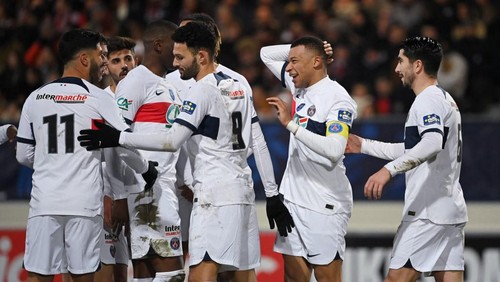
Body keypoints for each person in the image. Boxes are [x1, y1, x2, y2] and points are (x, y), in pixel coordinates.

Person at [78, 21, 294, 282]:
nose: (175, 62)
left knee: (197, 274)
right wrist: (271, 194)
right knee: (240, 276)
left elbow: (172, 140)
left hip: (213, 195)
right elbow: (255, 143)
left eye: (180, 56)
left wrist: (120, 137)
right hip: (241, 190)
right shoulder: (239, 83)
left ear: (200, 55)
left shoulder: (199, 91)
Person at [16, 29, 157, 282]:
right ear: (84, 59)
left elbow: (23, 155)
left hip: (44, 203)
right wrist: (147, 169)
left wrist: (53, 160)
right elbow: (124, 145)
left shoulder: (34, 98)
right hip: (83, 205)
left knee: (39, 276)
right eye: (102, 55)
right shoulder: (99, 98)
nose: (104, 61)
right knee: (83, 277)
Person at [164, 13, 288, 271]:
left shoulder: (224, 82)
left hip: (210, 189)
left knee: (212, 270)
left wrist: (270, 190)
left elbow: (253, 141)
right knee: (199, 265)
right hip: (191, 188)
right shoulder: (173, 80)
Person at [346, 36, 468, 282]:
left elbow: (431, 144)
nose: (397, 69)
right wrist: (365, 145)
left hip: (427, 213)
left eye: (401, 61)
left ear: (418, 66)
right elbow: (416, 149)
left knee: (395, 279)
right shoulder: (445, 99)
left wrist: (388, 171)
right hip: (449, 209)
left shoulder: (428, 100)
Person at [260, 36, 357, 282]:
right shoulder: (298, 85)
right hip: (292, 201)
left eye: (294, 61)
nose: (288, 67)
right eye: (289, 61)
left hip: (324, 205)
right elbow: (266, 53)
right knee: (293, 278)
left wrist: (291, 125)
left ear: (316, 63)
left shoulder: (339, 99)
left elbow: (335, 150)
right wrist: (314, 49)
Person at [113, 20, 186, 282]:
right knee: (173, 274)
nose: (178, 56)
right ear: (158, 45)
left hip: (161, 186)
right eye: (175, 48)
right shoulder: (136, 81)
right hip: (147, 190)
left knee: (145, 274)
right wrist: (120, 194)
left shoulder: (166, 83)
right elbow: (116, 139)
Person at [98, 36, 139, 282]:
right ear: (106, 67)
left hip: (143, 194)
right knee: (112, 273)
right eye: (116, 60)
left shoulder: (150, 96)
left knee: (144, 268)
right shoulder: (98, 101)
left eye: (128, 58)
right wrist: (108, 197)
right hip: (110, 198)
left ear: (136, 61)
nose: (124, 65)